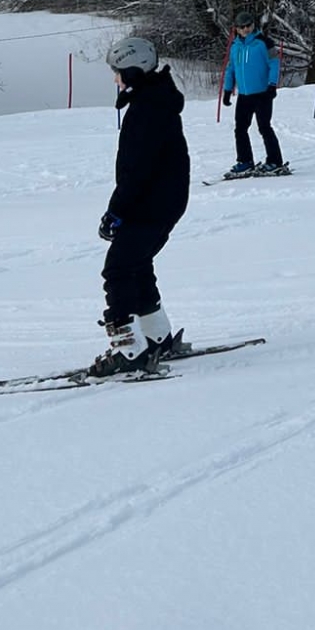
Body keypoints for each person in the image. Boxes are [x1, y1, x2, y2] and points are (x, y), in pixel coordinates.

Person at [92, 36, 191, 376]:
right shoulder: (156, 99)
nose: (115, 80)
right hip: (164, 200)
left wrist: (115, 212)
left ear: (133, 71)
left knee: (118, 270)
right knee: (136, 263)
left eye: (118, 72)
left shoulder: (147, 109)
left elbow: (137, 170)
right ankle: (157, 337)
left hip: (151, 201)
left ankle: (129, 352)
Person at [221, 13, 287, 177]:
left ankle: (275, 161)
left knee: (264, 127)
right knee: (240, 129)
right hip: (244, 95)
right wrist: (228, 90)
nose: (246, 29)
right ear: (236, 29)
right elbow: (231, 69)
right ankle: (245, 161)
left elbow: (274, 64)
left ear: (253, 25)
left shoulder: (264, 43)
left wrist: (272, 85)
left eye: (248, 26)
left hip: (262, 93)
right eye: (242, 27)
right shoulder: (235, 46)